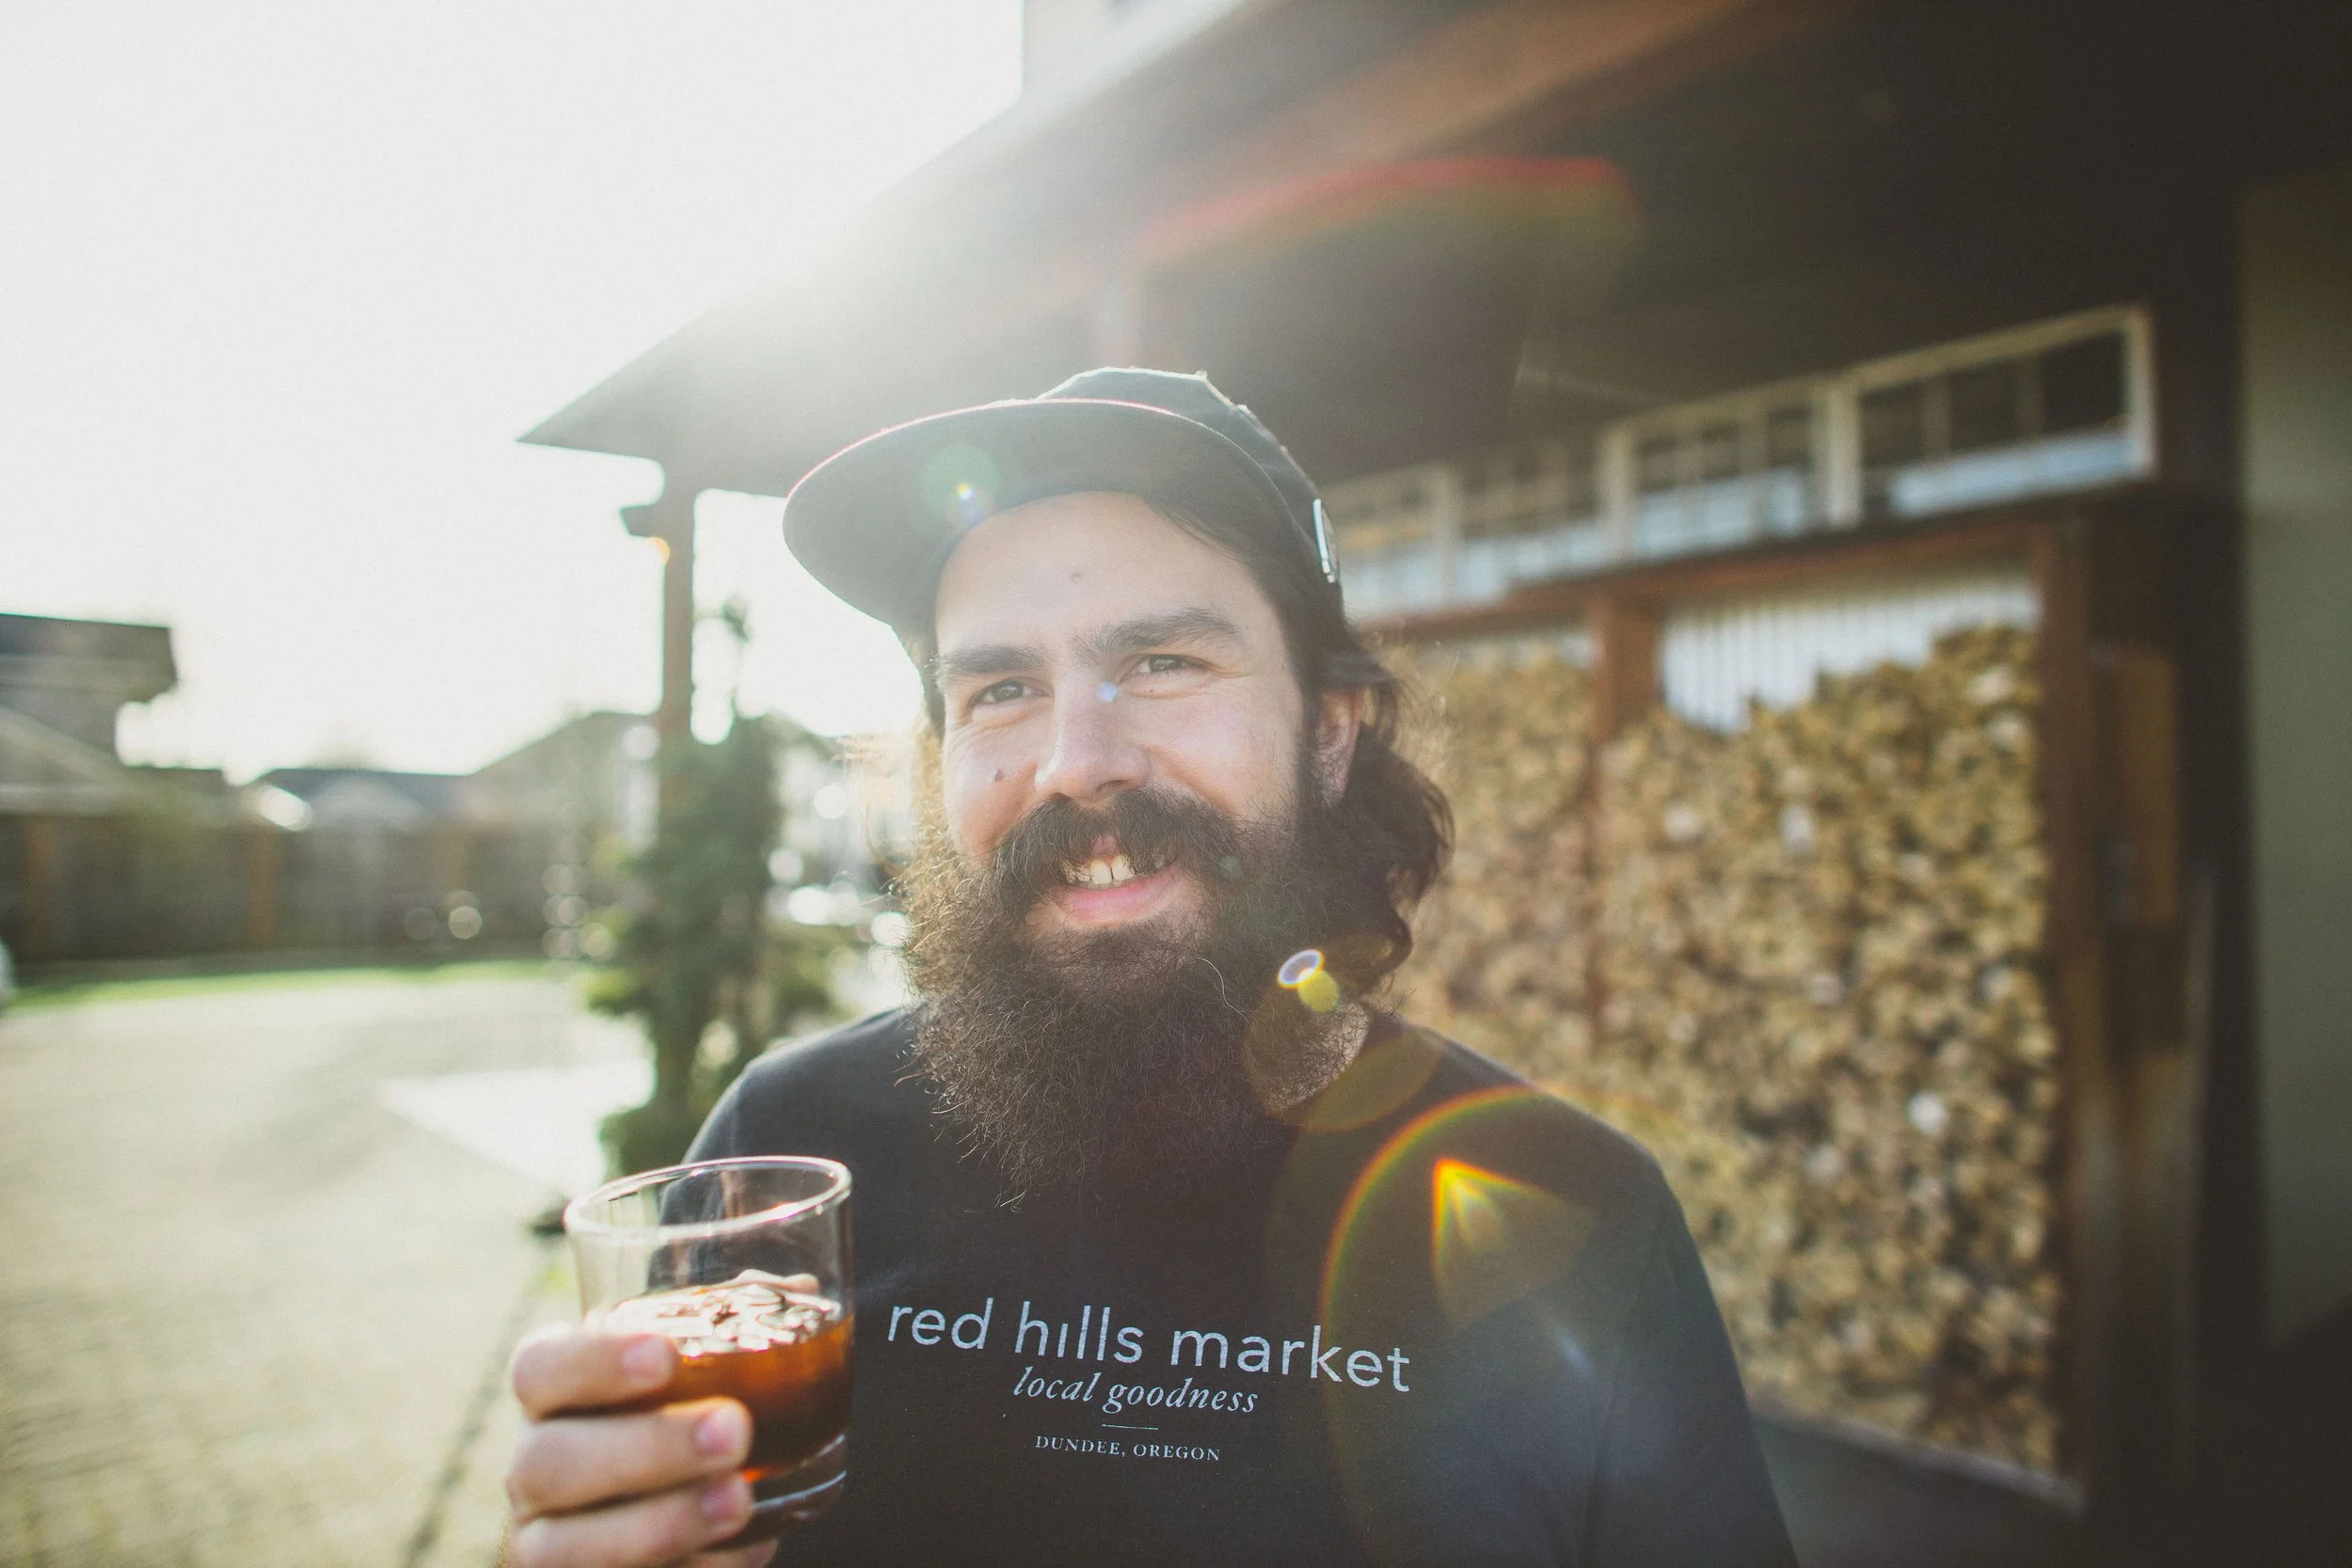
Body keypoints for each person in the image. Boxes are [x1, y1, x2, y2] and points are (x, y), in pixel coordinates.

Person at [503, 370, 1795, 1568]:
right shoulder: (793, 1147)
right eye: (1001, 688)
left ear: (1330, 734)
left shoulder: (1572, 1208)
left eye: (1161, 662)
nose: (1079, 758)